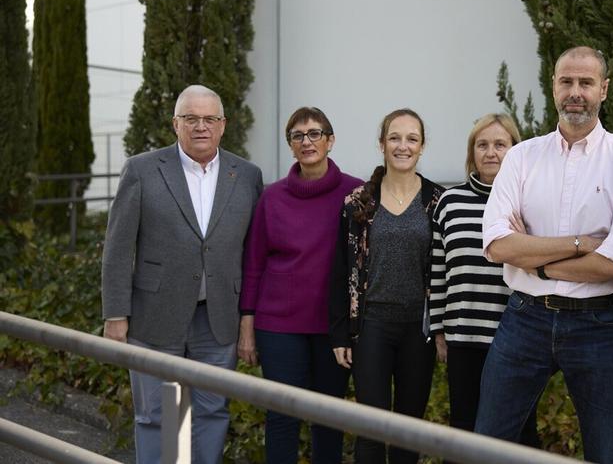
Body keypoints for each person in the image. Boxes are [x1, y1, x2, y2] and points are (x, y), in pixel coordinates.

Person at [474, 46, 613, 464]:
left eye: (586, 83)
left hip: (601, 324)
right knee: (487, 444)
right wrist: (581, 243)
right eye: (566, 82)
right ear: (553, 86)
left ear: (604, 90)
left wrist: (532, 260)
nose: (575, 92)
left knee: (606, 451)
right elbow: (498, 244)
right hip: (524, 318)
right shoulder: (521, 157)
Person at [101, 85, 263, 464]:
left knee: (211, 412)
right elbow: (119, 247)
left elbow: (254, 253)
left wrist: (248, 320)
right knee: (159, 415)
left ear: (223, 125)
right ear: (176, 124)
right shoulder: (142, 170)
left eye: (209, 119)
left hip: (218, 318)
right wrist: (115, 314)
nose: (201, 127)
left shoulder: (247, 175)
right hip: (155, 316)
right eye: (191, 118)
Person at [237, 107, 361, 463]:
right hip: (278, 327)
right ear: (290, 145)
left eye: (314, 134)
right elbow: (254, 264)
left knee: (329, 417)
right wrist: (247, 325)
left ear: (330, 140)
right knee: (281, 416)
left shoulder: (355, 193)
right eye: (297, 136)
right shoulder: (271, 198)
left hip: (333, 328)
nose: (306, 142)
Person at [329, 108, 445, 464]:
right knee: (371, 432)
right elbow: (340, 270)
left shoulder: (438, 202)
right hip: (372, 327)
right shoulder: (358, 202)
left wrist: (442, 330)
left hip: (418, 330)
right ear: (382, 144)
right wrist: (339, 335)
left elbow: (446, 271)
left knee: (409, 433)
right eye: (395, 137)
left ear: (422, 146)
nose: (403, 146)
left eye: (412, 138)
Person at [429, 113, 540, 448]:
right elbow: (438, 271)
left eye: (500, 144)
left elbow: (541, 267)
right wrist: (438, 329)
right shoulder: (449, 202)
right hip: (463, 336)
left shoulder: (530, 202)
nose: (491, 152)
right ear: (472, 152)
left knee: (520, 431)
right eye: (483, 145)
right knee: (464, 427)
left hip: (516, 337)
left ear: (515, 150)